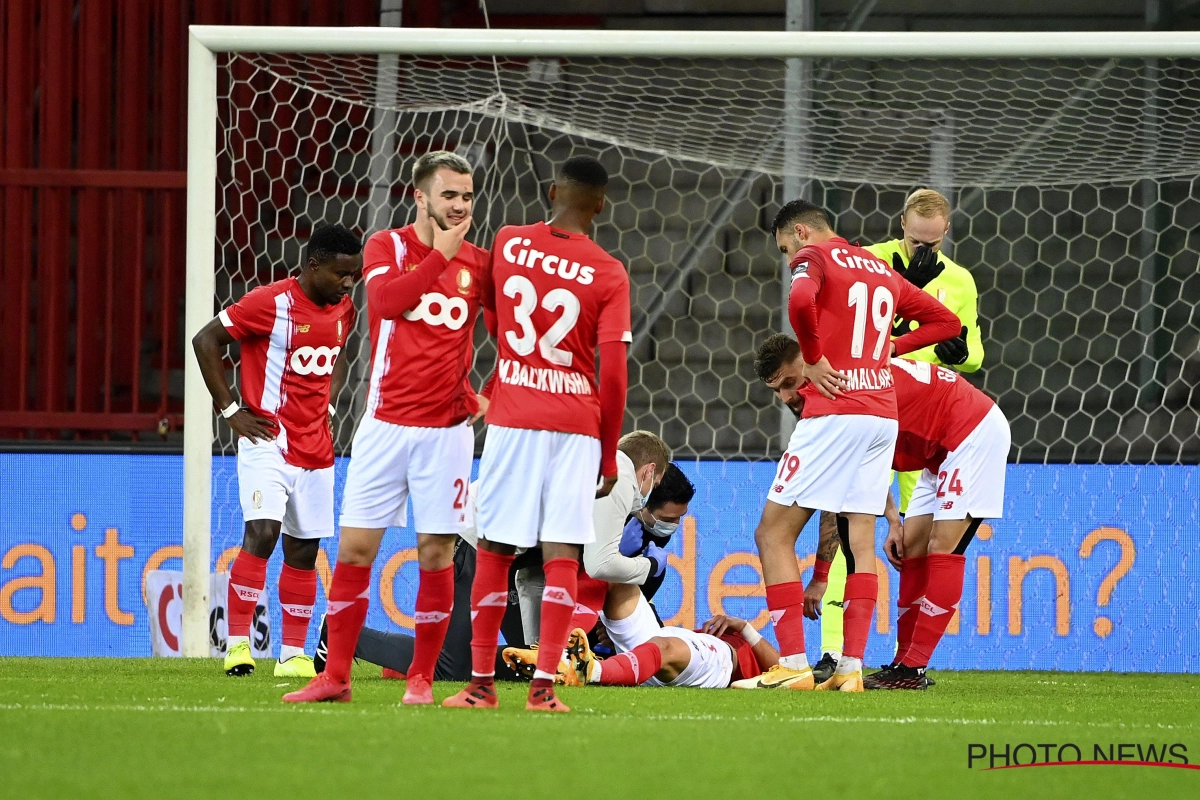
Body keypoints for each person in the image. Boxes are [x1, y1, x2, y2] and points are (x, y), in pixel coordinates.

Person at [285, 151, 488, 705]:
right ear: (420, 197)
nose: (461, 205)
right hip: (384, 427)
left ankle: (421, 680)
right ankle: (335, 677)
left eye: (467, 196)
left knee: (436, 555)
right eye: (450, 195)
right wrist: (440, 255)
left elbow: (516, 327)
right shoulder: (386, 247)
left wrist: (483, 391)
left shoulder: (480, 263)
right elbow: (387, 302)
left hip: (446, 435)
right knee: (353, 550)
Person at [745, 200, 961, 693]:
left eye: (784, 247)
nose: (786, 257)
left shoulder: (815, 259)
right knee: (860, 541)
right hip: (882, 416)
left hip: (836, 411)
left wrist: (816, 360)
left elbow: (798, 305)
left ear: (801, 232)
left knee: (773, 534)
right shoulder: (879, 269)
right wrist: (888, 350)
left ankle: (794, 665)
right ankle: (850, 670)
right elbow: (948, 324)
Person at [443, 155, 631, 713]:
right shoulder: (609, 270)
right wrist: (608, 450)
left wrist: (509, 365)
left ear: (552, 192)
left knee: (496, 549)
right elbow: (614, 371)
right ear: (600, 204)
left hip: (514, 415)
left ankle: (480, 685)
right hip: (575, 425)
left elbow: (491, 312)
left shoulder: (507, 240)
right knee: (561, 555)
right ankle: (544, 688)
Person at [754, 333, 1009, 690]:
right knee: (912, 549)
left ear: (809, 361)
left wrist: (823, 574)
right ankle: (901, 665)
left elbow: (839, 492)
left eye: (790, 383)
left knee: (941, 546)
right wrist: (892, 519)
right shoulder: (844, 380)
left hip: (971, 430)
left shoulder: (841, 390)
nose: (785, 397)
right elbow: (862, 471)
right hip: (936, 448)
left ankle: (912, 669)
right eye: (777, 390)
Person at [817, 188, 986, 680]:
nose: (924, 252)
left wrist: (959, 352)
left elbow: (973, 350)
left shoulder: (960, 280)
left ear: (947, 233)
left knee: (919, 546)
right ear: (903, 225)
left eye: (932, 243)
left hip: (924, 420)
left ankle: (902, 659)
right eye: (916, 241)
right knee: (855, 528)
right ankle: (833, 649)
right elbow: (852, 333)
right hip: (871, 406)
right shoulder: (869, 262)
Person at [191, 224, 361, 678]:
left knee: (304, 551)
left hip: (317, 449)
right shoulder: (269, 302)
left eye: (354, 276)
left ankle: (292, 656)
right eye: (341, 274)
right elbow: (205, 340)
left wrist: (327, 401)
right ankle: (238, 647)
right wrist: (230, 411)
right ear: (313, 266)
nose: (348, 284)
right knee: (262, 534)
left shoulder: (345, 309)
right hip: (267, 440)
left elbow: (338, 354)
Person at [499, 433, 672, 675]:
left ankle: (546, 658)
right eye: (653, 486)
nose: (669, 526)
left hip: (519, 560)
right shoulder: (618, 482)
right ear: (648, 471)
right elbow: (599, 566)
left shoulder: (596, 477)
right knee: (462, 663)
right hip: (492, 550)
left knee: (539, 660)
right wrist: (649, 566)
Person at [561, 582, 776, 689]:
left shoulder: (778, 668)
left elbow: (790, 672)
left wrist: (744, 627)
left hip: (721, 666)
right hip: (658, 646)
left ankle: (590, 671)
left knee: (666, 647)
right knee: (618, 580)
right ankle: (556, 654)